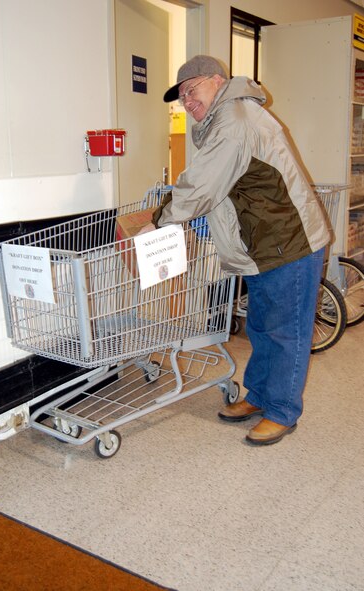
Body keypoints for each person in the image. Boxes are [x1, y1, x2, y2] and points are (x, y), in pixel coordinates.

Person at [142, 55, 330, 446]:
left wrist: (159, 220)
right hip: (263, 246)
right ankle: (259, 397)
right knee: (262, 328)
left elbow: (202, 186)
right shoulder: (222, 122)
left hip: (288, 244)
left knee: (285, 334)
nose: (186, 102)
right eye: (181, 98)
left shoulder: (234, 121)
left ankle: (281, 411)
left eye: (191, 91)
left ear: (216, 80)